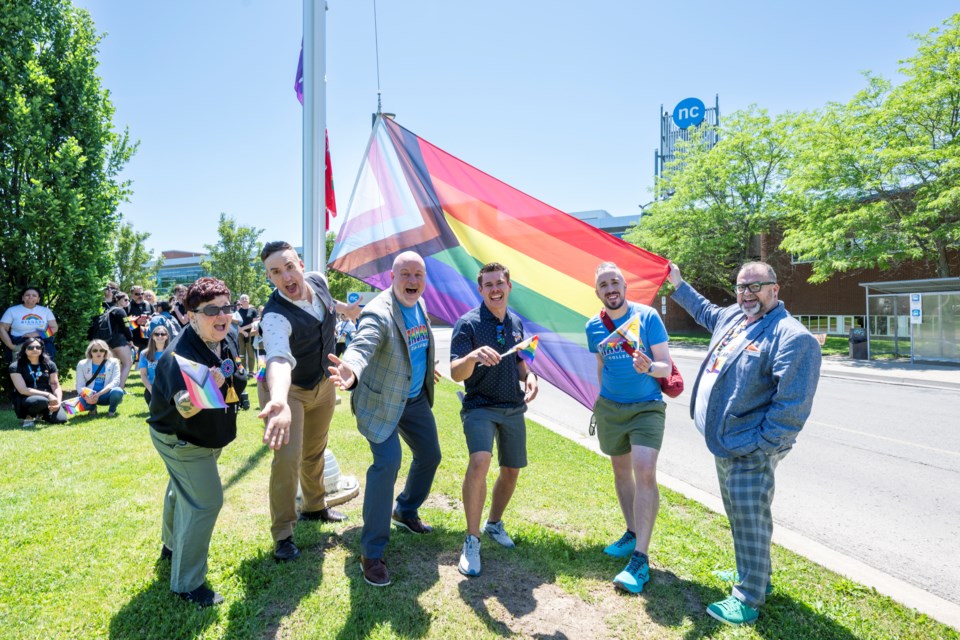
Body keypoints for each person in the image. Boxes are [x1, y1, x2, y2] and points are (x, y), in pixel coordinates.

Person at [667, 261, 821, 626]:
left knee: (750, 518)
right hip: (724, 442)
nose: (746, 294)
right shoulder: (735, 317)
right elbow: (705, 310)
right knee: (739, 515)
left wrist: (760, 445)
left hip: (748, 449)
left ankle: (749, 597)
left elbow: (792, 407)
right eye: (741, 287)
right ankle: (752, 573)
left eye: (756, 287)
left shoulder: (790, 336)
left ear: (775, 289)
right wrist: (677, 283)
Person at [327, 251, 441, 588]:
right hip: (381, 402)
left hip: (413, 397)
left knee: (430, 455)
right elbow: (364, 343)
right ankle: (371, 552)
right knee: (388, 462)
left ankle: (405, 510)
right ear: (392, 278)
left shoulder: (419, 304)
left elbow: (414, 344)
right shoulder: (379, 310)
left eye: (418, 274)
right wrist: (351, 368)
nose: (412, 280)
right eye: (405, 274)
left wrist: (425, 367)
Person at [256, 241, 360, 563]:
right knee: (288, 459)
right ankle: (283, 535)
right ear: (270, 277)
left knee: (315, 450)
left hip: (323, 385)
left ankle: (315, 508)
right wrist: (279, 401)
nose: (285, 276)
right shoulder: (274, 317)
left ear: (299, 263)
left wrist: (348, 311)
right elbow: (278, 359)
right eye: (275, 272)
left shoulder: (317, 279)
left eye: (288, 266)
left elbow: (330, 302)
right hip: (288, 391)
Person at [147, 277, 247, 608]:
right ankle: (188, 584)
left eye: (227, 308)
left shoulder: (226, 335)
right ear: (192, 315)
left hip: (207, 436)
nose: (223, 316)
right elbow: (186, 409)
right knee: (205, 502)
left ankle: (171, 546)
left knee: (181, 490)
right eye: (212, 310)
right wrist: (208, 385)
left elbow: (237, 372)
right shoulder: (178, 356)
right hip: (182, 439)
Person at [584, 262, 673, 595]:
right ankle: (632, 532)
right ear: (598, 292)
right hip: (610, 409)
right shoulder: (593, 326)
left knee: (645, 471)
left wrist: (650, 367)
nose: (611, 288)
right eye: (604, 284)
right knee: (622, 473)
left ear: (625, 286)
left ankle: (640, 559)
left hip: (646, 408)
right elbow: (600, 364)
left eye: (615, 282)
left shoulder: (648, 317)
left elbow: (666, 364)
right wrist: (601, 401)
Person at [450, 262, 538, 577]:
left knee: (511, 470)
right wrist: (473, 357)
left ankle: (494, 524)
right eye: (488, 285)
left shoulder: (516, 323)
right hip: (479, 406)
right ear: (481, 290)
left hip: (512, 406)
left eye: (499, 283)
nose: (495, 289)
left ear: (508, 286)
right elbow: (455, 371)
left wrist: (530, 377)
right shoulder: (467, 324)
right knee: (480, 462)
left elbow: (522, 361)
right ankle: (471, 540)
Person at [8, 336, 67, 427]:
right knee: (40, 400)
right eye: (30, 347)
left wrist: (58, 402)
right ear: (24, 350)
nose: (35, 349)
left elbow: (55, 385)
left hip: (48, 399)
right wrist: (48, 395)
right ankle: (29, 416)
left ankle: (42, 414)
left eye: (38, 347)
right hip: (25, 398)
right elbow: (23, 390)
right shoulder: (16, 366)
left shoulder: (50, 364)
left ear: (42, 349)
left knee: (61, 420)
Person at [1, 286, 58, 362]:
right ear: (22, 298)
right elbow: (2, 329)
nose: (30, 297)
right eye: (27, 295)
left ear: (38, 299)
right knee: (20, 371)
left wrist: (35, 334)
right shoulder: (12, 310)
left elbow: (54, 328)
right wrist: (12, 347)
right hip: (19, 344)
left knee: (43, 370)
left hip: (42, 344)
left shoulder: (45, 311)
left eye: (34, 295)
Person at [75, 339, 125, 417]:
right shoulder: (82, 364)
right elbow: (79, 385)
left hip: (105, 394)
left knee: (118, 391)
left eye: (101, 350)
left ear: (105, 352)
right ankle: (92, 409)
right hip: (89, 395)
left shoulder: (114, 362)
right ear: (90, 352)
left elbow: (116, 381)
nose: (98, 352)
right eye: (95, 350)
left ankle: (112, 411)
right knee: (77, 406)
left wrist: (99, 394)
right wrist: (86, 397)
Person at [103, 292, 135, 390]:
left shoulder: (109, 310)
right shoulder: (120, 311)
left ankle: (110, 387)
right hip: (119, 341)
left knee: (115, 365)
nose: (127, 302)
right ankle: (120, 388)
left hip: (108, 341)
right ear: (117, 299)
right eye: (125, 300)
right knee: (128, 363)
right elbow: (126, 327)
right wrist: (131, 340)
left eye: (128, 300)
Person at [139, 325, 170, 405]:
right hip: (152, 386)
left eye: (163, 334)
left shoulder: (171, 353)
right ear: (152, 337)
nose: (160, 336)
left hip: (168, 386)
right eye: (157, 334)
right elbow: (143, 375)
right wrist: (151, 390)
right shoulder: (144, 354)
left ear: (167, 337)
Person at [232, 294, 259, 371]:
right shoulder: (237, 312)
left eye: (246, 298)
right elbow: (235, 324)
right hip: (240, 334)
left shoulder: (253, 310)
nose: (244, 300)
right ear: (240, 301)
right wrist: (243, 332)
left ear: (248, 300)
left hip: (251, 334)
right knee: (241, 354)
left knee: (251, 354)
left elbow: (254, 323)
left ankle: (251, 372)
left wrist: (244, 328)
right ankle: (243, 371)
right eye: (242, 299)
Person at [128, 285, 155, 356]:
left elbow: (154, 318)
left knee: (149, 360)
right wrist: (136, 323)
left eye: (142, 294)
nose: (140, 296)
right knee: (137, 362)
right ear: (132, 295)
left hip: (147, 338)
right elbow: (125, 324)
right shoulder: (128, 306)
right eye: (137, 294)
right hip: (134, 339)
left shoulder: (148, 305)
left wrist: (150, 320)